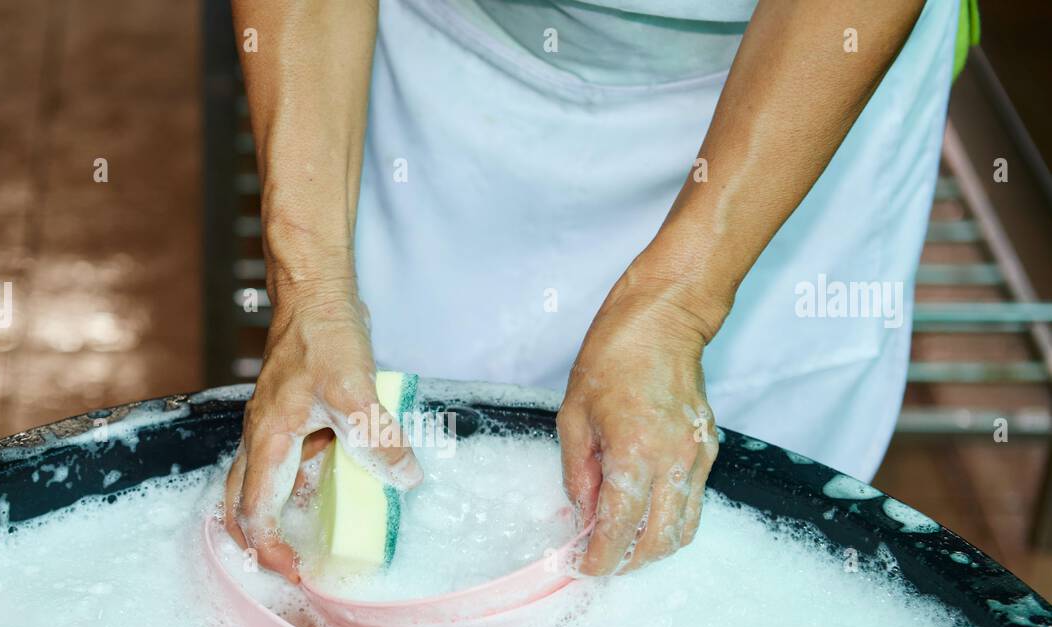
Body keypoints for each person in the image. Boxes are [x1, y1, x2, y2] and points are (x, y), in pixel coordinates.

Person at [224, 0, 957, 582]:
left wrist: (678, 304)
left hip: (795, 82)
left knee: (711, 524)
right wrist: (312, 284)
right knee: (392, 435)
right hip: (457, 72)